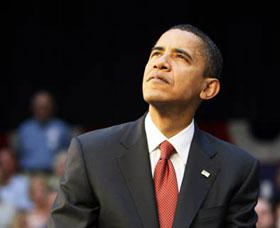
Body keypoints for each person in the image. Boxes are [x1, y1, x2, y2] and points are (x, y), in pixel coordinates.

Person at [49, 24, 259, 227]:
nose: (161, 63)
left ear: (208, 88)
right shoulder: (91, 154)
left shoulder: (236, 169)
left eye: (180, 57)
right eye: (156, 54)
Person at [17, 90, 72, 172]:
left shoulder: (62, 128)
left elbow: (70, 153)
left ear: (52, 107)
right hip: (28, 174)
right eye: (39, 106)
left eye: (45, 106)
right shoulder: (24, 129)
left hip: (54, 175)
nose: (42, 109)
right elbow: (17, 154)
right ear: (32, 107)